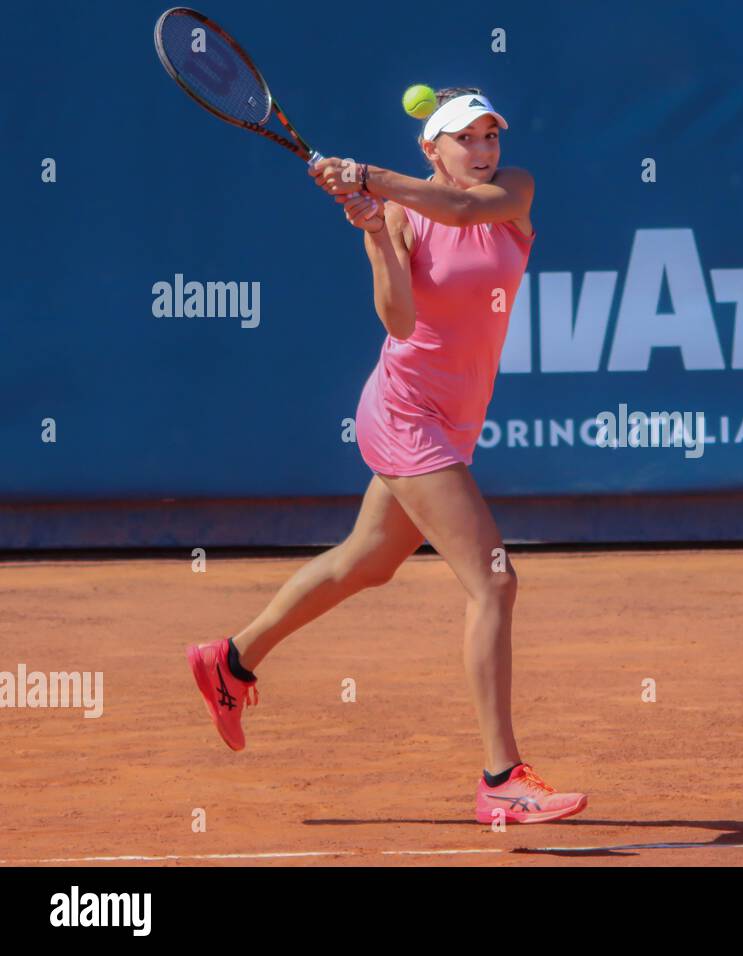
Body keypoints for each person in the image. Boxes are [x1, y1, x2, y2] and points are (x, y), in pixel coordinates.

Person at [186, 88, 587, 825]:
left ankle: (231, 660)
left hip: (452, 421)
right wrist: (375, 230)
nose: (486, 150)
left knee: (365, 561)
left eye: (491, 135)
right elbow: (399, 317)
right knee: (496, 583)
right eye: (466, 139)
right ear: (430, 150)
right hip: (406, 414)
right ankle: (501, 779)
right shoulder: (403, 212)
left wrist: (367, 178)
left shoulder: (512, 194)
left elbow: (464, 212)